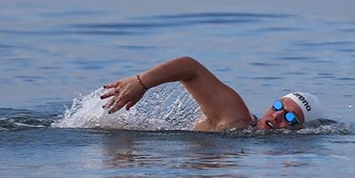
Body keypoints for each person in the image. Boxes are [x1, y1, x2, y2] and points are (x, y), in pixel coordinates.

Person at [100, 56, 323, 131]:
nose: (276, 116)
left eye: (290, 118)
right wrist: (140, 83)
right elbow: (190, 67)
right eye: (277, 106)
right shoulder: (238, 117)